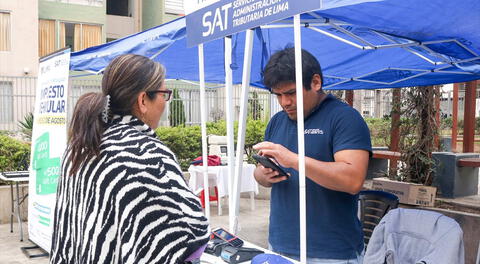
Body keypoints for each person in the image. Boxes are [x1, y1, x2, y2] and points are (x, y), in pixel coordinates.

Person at [50, 54, 209, 264]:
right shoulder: (148, 156)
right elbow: (190, 235)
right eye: (164, 94)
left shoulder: (79, 146)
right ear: (143, 100)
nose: (165, 102)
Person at [253, 48, 372, 263]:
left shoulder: (344, 118)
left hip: (331, 253)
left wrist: (293, 160)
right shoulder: (277, 121)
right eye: (278, 95)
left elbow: (352, 179)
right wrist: (263, 174)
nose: (284, 102)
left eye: (291, 93)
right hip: (279, 245)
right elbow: (259, 176)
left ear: (315, 82)